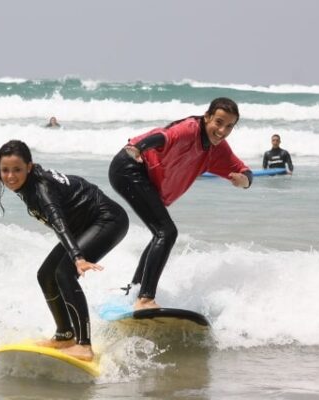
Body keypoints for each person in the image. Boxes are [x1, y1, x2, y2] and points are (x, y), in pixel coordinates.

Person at [0, 140, 128, 361]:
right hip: (83, 224)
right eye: (4, 170)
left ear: (30, 167)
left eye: (17, 169)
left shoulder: (42, 190)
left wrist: (77, 257)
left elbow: (58, 222)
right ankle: (65, 335)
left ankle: (84, 345)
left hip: (108, 220)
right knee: (46, 275)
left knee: (64, 273)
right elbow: (11, 176)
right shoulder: (23, 177)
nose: (10, 176)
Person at [108, 97, 252, 311]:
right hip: (129, 167)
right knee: (166, 232)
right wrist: (137, 148)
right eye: (218, 122)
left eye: (229, 126)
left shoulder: (219, 149)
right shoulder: (189, 129)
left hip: (146, 178)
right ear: (207, 117)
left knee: (161, 232)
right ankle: (145, 299)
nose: (222, 130)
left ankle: (134, 292)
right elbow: (162, 136)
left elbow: (245, 172)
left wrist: (244, 181)